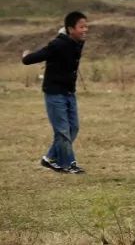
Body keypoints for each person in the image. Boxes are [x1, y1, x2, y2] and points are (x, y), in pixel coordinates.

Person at [21, 11, 89, 174]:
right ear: (70, 29)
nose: (85, 30)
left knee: (73, 128)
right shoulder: (58, 44)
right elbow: (35, 57)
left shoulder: (78, 42)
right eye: (82, 27)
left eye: (87, 26)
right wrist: (26, 57)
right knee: (63, 130)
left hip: (69, 92)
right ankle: (69, 164)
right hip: (54, 93)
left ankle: (49, 158)